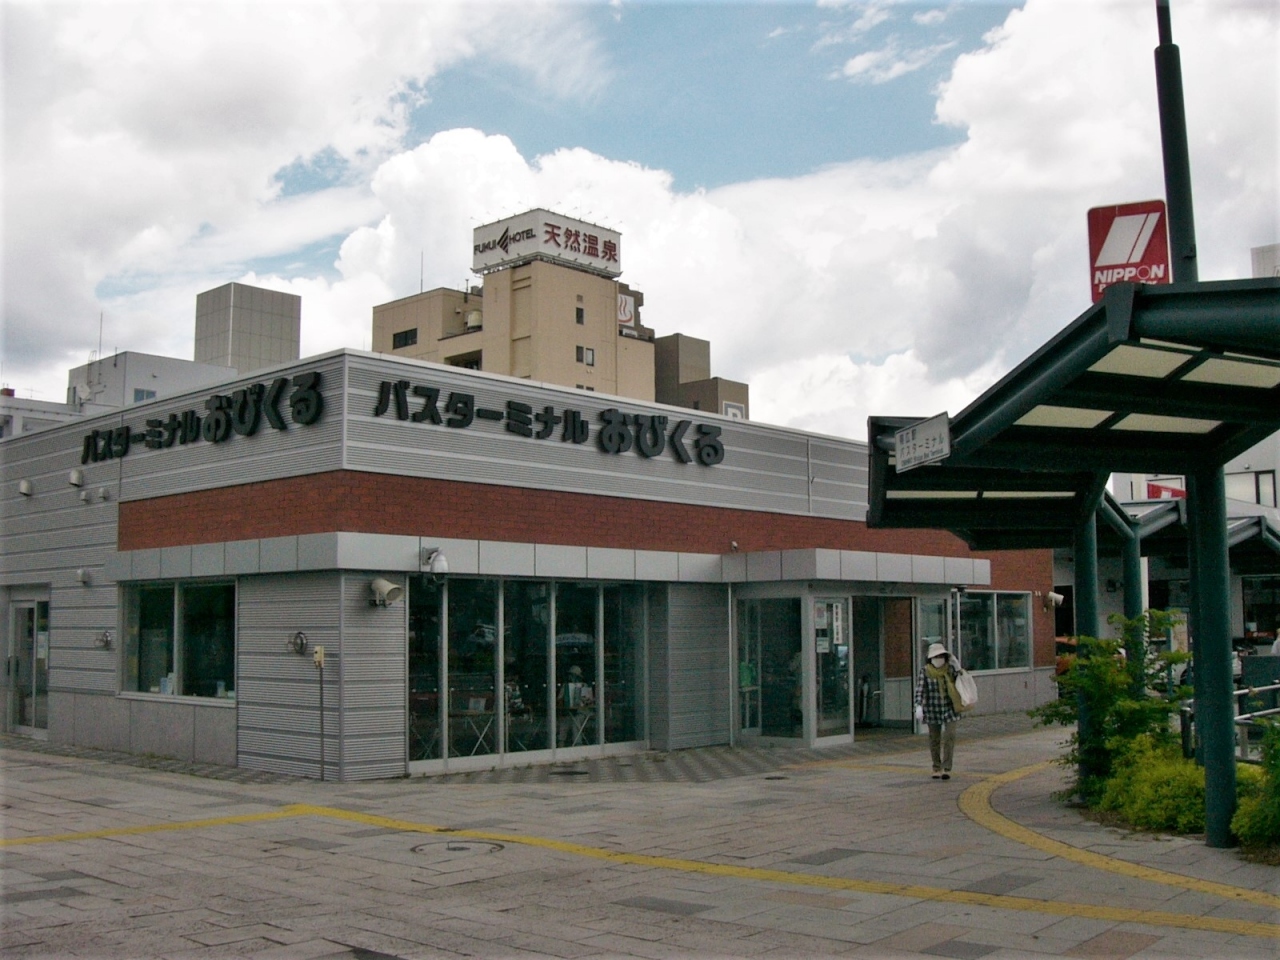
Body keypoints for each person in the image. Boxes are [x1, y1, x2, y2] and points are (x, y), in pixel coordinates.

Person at [914, 642, 963, 780]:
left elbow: (962, 680)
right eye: (935, 656)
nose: (938, 659)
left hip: (950, 708)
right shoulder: (925, 671)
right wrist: (918, 705)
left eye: (941, 656)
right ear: (930, 658)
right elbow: (920, 689)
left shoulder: (950, 670)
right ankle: (936, 767)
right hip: (932, 709)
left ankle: (947, 768)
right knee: (934, 739)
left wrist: (957, 666)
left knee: (950, 736)